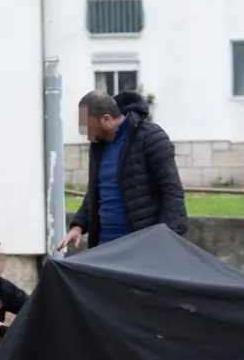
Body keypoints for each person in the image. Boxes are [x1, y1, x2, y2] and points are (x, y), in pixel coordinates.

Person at [59, 90, 187, 251]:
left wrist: (165, 240)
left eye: (88, 126)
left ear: (106, 119)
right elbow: (96, 191)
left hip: (142, 245)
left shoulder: (151, 137)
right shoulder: (98, 146)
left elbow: (172, 191)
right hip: (104, 244)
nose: (85, 133)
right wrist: (78, 226)